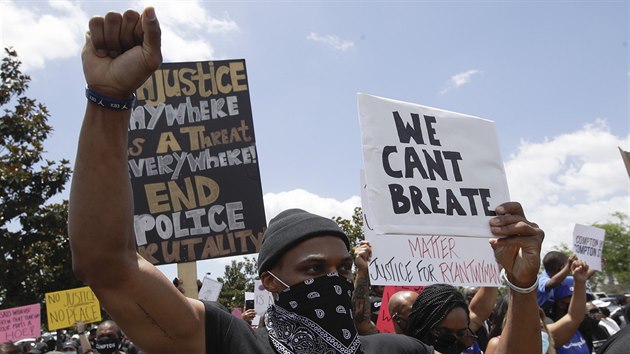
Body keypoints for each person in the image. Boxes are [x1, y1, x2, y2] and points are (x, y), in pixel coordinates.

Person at [69, 7, 545, 354]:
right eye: (314, 271)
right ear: (271, 282)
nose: (335, 282)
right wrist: (108, 101)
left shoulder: (397, 351)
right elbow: (109, 262)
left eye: (341, 269)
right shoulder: (229, 342)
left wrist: (522, 287)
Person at [538, 252, 576, 316]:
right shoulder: (542, 279)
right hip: (538, 316)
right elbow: (551, 284)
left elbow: (581, 278)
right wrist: (568, 267)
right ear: (562, 267)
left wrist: (596, 266)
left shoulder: (563, 279)